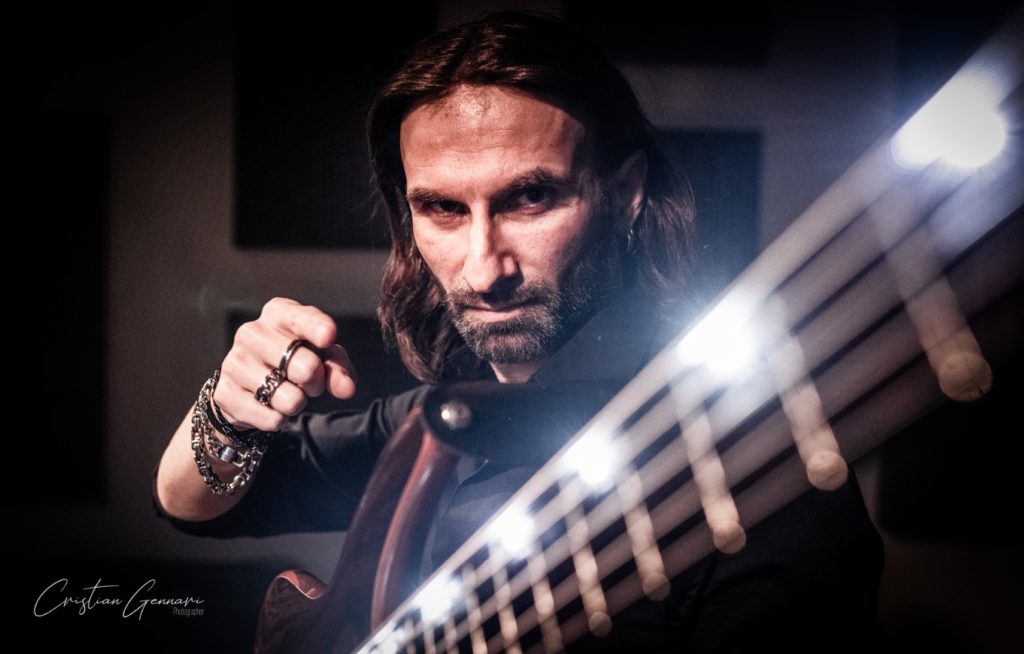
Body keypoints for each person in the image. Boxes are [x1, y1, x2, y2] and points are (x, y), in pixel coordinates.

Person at [154, 11, 884, 652]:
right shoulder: (435, 426)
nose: (483, 268)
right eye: (442, 208)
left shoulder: (758, 468)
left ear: (625, 194)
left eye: (531, 197)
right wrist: (229, 409)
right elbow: (197, 506)